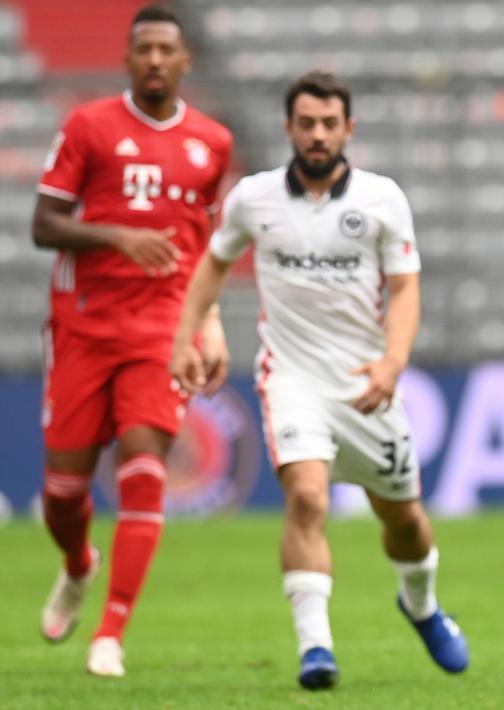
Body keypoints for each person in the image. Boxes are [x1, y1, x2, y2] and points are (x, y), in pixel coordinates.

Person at [169, 71, 469, 690]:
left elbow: (406, 287)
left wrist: (392, 361)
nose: (318, 134)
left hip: (365, 380)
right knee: (306, 497)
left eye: (329, 123)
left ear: (348, 128)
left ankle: (420, 604)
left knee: (404, 520)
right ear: (289, 129)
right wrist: (186, 336)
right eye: (306, 123)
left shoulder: (382, 199)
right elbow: (212, 266)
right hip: (291, 377)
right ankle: (316, 648)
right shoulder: (253, 198)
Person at [32, 4, 233, 677]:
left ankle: (111, 632)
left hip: (161, 328)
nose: (153, 60)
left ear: (184, 61)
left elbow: (210, 246)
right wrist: (117, 235)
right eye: (142, 49)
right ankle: (78, 563)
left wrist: (209, 324)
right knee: (63, 492)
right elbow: (44, 224)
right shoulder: (88, 125)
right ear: (128, 58)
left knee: (145, 466)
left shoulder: (212, 142)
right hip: (83, 324)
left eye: (164, 50)